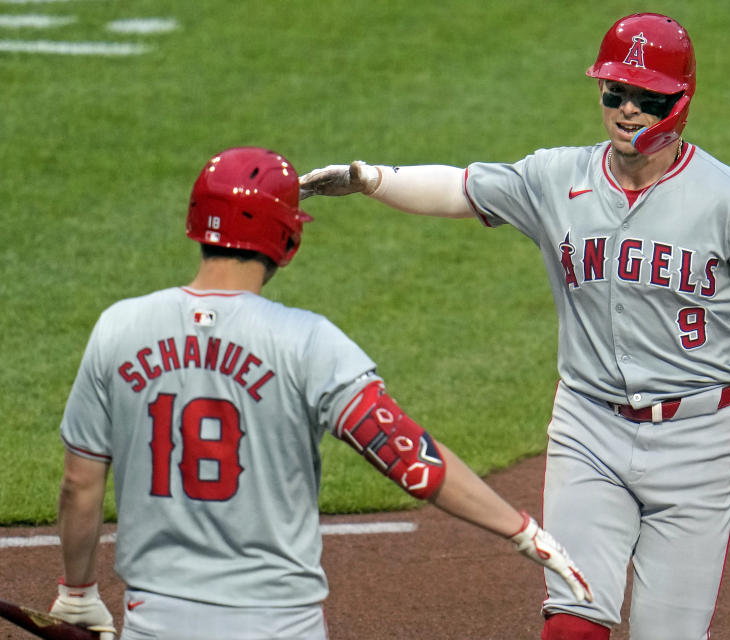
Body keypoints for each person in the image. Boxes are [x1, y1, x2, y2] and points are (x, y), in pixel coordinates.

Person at [297, 12, 730, 640]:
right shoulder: (557, 177)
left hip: (698, 441)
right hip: (588, 428)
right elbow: (462, 188)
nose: (627, 109)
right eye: (614, 93)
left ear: (680, 102)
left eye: (647, 97)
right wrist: (372, 179)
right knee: (573, 624)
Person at [50, 146, 592, 640]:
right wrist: (521, 530)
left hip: (156, 619)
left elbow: (80, 481)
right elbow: (409, 458)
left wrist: (76, 595)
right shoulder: (306, 342)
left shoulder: (118, 329)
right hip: (279, 622)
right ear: (287, 237)